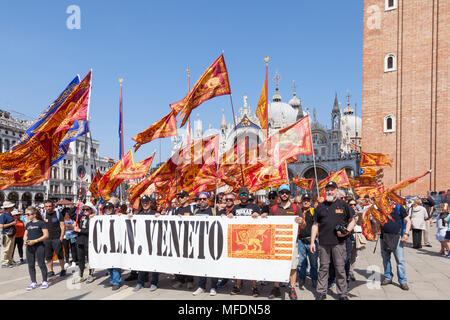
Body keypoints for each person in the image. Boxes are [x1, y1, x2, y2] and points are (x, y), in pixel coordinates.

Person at [310, 182, 356, 300]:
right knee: (323, 268)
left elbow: (353, 220)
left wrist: (347, 231)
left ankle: (342, 293)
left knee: (340, 268)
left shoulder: (343, 205)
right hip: (324, 243)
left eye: (332, 189)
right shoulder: (320, 207)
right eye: (328, 190)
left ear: (336, 191)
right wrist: (312, 242)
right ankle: (321, 292)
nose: (329, 192)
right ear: (325, 192)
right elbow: (315, 225)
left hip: (339, 243)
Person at [262, 185, 305, 300]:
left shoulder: (296, 208)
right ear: (279, 195)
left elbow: (304, 225)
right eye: (282, 192)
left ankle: (291, 288)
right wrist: (264, 218)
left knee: (293, 266)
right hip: (277, 242)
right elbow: (269, 225)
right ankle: (276, 287)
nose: (284, 194)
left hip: (292, 242)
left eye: (286, 192)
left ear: (289, 194)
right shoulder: (274, 209)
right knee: (276, 265)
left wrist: (301, 221)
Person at [228, 187, 261, 297]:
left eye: (245, 194)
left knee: (253, 265)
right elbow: (229, 219)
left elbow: (261, 220)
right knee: (238, 264)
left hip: (250, 239)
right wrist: (230, 216)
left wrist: (258, 215)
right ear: (239, 196)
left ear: (248, 196)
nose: (243, 196)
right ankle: (237, 286)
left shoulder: (254, 206)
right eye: (241, 194)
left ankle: (254, 287)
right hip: (239, 241)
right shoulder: (235, 207)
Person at [192, 192, 219, 296]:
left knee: (213, 265)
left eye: (204, 199)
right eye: (200, 199)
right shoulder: (196, 211)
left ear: (208, 200)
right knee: (201, 265)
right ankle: (201, 286)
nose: (202, 201)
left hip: (211, 242)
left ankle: (213, 286)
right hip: (199, 243)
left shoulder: (213, 211)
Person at [380, 199, 411, 290]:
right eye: (386, 197)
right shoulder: (381, 207)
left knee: (400, 260)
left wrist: (406, 234)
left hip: (397, 238)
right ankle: (388, 277)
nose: (388, 199)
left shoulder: (398, 207)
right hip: (384, 237)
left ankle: (403, 281)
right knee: (386, 259)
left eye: (390, 197)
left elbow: (408, 221)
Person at [133, 196, 161, 292]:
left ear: (150, 203)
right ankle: (140, 282)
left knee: (154, 263)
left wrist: (160, 216)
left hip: (153, 242)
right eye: (143, 202)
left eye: (147, 202)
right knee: (141, 263)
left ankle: (154, 282)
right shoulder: (139, 214)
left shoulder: (155, 214)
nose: (145, 204)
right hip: (142, 243)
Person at [66, 202, 97, 283]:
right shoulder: (80, 217)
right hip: (80, 240)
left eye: (87, 209)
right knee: (80, 259)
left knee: (90, 258)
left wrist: (80, 230)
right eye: (84, 209)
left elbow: (91, 230)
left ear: (91, 210)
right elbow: (71, 214)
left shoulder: (93, 218)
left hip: (88, 241)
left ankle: (91, 275)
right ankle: (81, 275)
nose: (85, 211)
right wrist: (76, 206)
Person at [172, 190, 195, 289]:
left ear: (187, 198)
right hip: (179, 237)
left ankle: (190, 280)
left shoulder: (193, 208)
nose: (180, 199)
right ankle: (180, 280)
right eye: (179, 197)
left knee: (189, 260)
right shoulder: (177, 209)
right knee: (179, 260)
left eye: (182, 197)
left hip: (190, 237)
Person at [23, 207, 49, 290]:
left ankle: (44, 281)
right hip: (30, 247)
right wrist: (26, 241)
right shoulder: (28, 224)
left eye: (28, 214)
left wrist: (35, 241)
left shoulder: (41, 223)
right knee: (31, 265)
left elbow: (46, 235)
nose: (26, 215)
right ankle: (33, 282)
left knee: (41, 264)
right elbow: (25, 236)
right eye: (26, 214)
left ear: (34, 215)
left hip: (39, 246)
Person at [297, 193, 319, 290]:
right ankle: (302, 278)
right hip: (301, 240)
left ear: (310, 202)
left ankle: (314, 279)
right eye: (304, 200)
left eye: (307, 200)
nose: (306, 202)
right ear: (301, 202)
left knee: (313, 262)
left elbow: (318, 224)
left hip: (312, 240)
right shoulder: (299, 211)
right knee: (302, 261)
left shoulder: (314, 211)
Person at [102, 201, 123, 290]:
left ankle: (116, 281)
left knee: (115, 263)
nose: (108, 210)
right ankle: (112, 280)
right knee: (109, 264)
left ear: (113, 209)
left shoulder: (117, 217)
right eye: (106, 208)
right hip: (106, 244)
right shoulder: (101, 218)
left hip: (116, 243)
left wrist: (121, 216)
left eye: (110, 208)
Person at [41, 200, 66, 277]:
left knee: (60, 255)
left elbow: (63, 226)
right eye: (47, 206)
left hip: (56, 238)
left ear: (53, 206)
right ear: (44, 207)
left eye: (50, 206)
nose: (48, 208)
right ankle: (51, 271)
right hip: (47, 239)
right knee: (48, 256)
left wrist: (61, 237)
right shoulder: (43, 215)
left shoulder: (58, 214)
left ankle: (62, 269)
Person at [0, 201, 17, 268]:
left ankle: (9, 261)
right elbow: (1, 226)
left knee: (10, 248)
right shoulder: (3, 215)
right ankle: (4, 262)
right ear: (9, 208)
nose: (13, 207)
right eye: (12, 206)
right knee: (5, 249)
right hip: (6, 234)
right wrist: (12, 223)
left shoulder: (9, 214)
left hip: (11, 234)